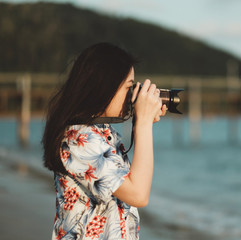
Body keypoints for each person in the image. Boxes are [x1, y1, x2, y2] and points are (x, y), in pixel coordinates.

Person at [42, 42, 167, 240]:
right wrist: (143, 124)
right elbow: (138, 194)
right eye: (128, 87)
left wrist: (142, 122)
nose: (131, 95)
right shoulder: (78, 139)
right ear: (104, 87)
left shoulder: (99, 131)